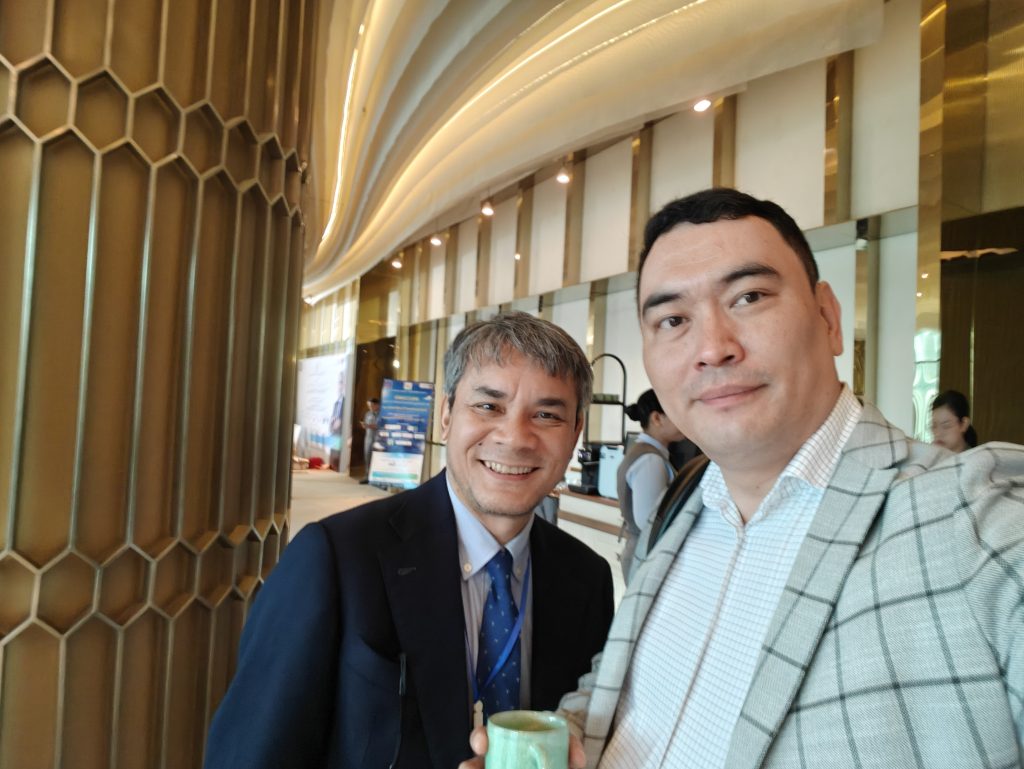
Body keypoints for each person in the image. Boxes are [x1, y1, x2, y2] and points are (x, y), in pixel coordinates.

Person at [462, 188, 1023, 769]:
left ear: (828, 319)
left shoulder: (976, 524)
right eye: (673, 319)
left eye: (749, 297)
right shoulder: (683, 510)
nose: (712, 348)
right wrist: (565, 739)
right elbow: (624, 688)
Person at [204, 312, 614, 769]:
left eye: (546, 415)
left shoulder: (586, 579)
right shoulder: (337, 557)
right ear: (446, 415)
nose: (515, 437)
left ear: (575, 433)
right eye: (488, 406)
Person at [617, 389, 682, 581]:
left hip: (642, 552)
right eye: (676, 413)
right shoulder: (650, 460)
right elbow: (648, 520)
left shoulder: (646, 452)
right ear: (657, 418)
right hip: (645, 555)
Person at [930, 388, 978, 452]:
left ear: (964, 424)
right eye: (934, 426)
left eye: (946, 426)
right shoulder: (930, 455)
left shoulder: (976, 457)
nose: (938, 433)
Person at [359, 396, 381, 483]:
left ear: (377, 405)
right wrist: (364, 426)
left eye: (371, 405)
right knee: (368, 458)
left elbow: (380, 426)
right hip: (368, 439)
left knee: (378, 459)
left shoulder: (382, 414)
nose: (370, 407)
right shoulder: (368, 414)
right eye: (368, 406)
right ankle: (367, 477)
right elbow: (366, 425)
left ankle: (378, 479)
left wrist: (368, 426)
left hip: (379, 440)